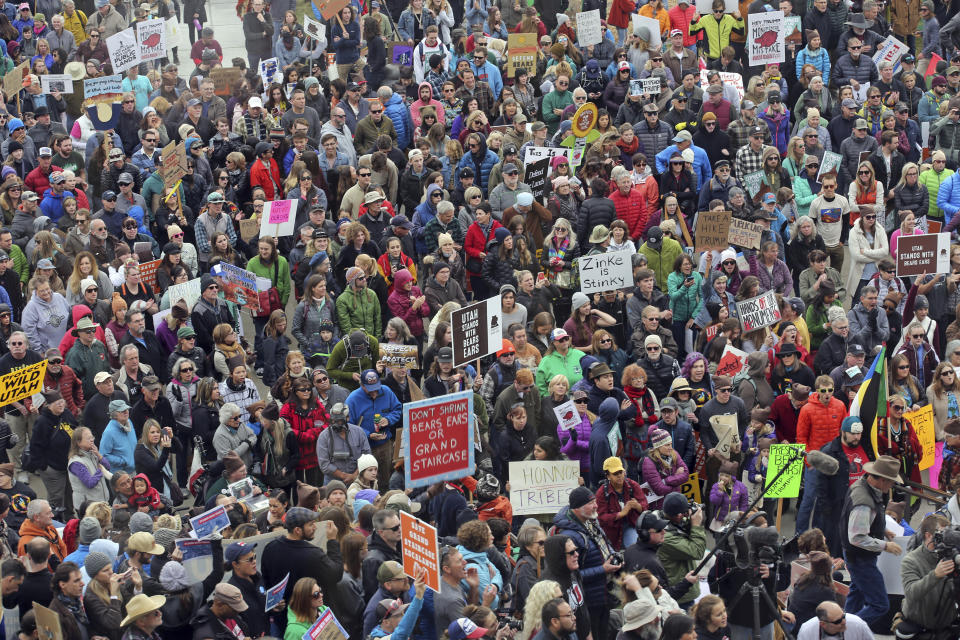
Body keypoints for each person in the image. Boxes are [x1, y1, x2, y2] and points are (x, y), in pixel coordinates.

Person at [841, 455, 903, 628]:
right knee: (879, 604)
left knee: (856, 593)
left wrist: (881, 529)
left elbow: (863, 522)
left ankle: (842, 628)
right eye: (891, 482)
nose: (892, 486)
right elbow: (857, 537)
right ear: (882, 480)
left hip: (855, 556)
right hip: (860, 558)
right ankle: (847, 630)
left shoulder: (862, 486)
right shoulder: (864, 502)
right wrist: (885, 545)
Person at [552, 486, 618, 640]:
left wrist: (613, 555)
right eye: (591, 503)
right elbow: (569, 576)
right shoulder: (570, 536)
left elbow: (606, 545)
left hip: (602, 596)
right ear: (578, 508)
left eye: (595, 501)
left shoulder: (591, 523)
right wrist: (602, 569)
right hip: (589, 601)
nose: (596, 505)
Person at [261, 507, 342, 613]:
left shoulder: (270, 548)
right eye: (310, 524)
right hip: (311, 617)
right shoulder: (313, 555)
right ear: (297, 530)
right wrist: (332, 540)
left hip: (285, 617)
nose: (315, 527)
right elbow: (336, 574)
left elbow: (266, 581)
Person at [795, 601, 874, 640]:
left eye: (843, 616)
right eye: (838, 621)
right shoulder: (807, 630)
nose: (844, 622)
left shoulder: (857, 624)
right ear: (823, 624)